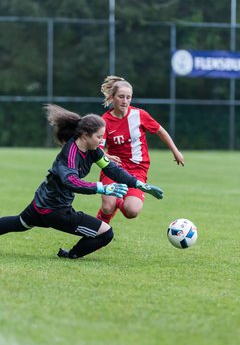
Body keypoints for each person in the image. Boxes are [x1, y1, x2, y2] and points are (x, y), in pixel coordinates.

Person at [0, 104, 163, 260]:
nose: (101, 141)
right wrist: (103, 188)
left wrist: (138, 184)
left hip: (42, 203)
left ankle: (69, 252)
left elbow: (111, 169)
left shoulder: (93, 150)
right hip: (55, 210)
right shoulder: (70, 154)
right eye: (99, 136)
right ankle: (70, 255)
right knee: (106, 234)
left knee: (19, 223)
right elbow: (71, 181)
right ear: (85, 135)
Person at [96, 75, 184, 225]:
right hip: (113, 168)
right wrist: (107, 156)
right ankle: (96, 234)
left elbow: (160, 130)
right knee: (107, 206)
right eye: (121, 97)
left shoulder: (139, 115)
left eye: (128, 97)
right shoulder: (104, 121)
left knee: (132, 211)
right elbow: (97, 149)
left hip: (137, 169)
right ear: (112, 97)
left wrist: (175, 151)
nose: (125, 101)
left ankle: (117, 202)